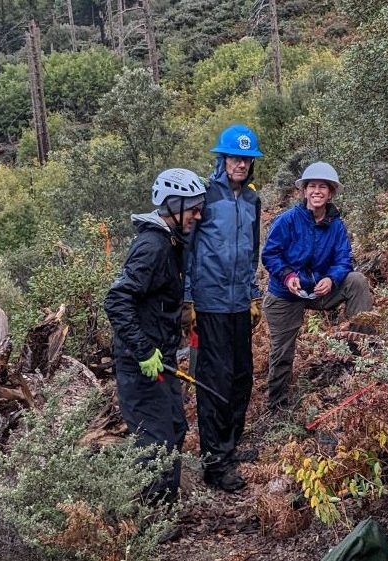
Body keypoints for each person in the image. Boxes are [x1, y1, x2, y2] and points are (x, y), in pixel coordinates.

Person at [104, 168, 206, 501]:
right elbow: (117, 300)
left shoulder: (172, 242)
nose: (198, 214)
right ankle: (154, 522)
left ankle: (164, 511)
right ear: (173, 205)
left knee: (175, 427)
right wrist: (144, 351)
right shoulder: (152, 246)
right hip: (141, 363)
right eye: (192, 208)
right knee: (154, 440)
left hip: (160, 359)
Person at [185, 124, 263, 492]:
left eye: (246, 159)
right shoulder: (204, 195)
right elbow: (187, 248)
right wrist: (189, 300)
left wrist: (252, 295)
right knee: (214, 383)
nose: (241, 164)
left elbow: (253, 251)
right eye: (235, 157)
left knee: (241, 379)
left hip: (237, 305)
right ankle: (214, 463)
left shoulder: (252, 200)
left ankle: (230, 447)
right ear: (222, 158)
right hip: (210, 304)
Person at [262, 161, 373, 411]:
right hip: (285, 293)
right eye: (312, 186)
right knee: (282, 350)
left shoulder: (335, 225)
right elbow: (270, 254)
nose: (317, 191)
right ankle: (277, 405)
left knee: (356, 280)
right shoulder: (288, 220)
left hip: (319, 290)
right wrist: (288, 276)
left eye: (323, 187)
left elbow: (344, 259)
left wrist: (331, 279)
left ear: (330, 192)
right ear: (304, 191)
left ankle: (362, 358)